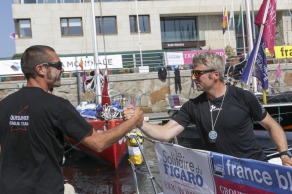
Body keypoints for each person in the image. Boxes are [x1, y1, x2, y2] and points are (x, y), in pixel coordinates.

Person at [0, 45, 143, 194]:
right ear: (40, 69)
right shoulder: (57, 106)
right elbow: (99, 143)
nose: (62, 70)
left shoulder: (4, 105)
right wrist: (132, 122)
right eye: (58, 65)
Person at [124, 51, 292, 166]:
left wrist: (284, 154)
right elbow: (165, 133)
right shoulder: (192, 106)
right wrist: (139, 123)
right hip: (220, 173)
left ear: (215, 75)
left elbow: (272, 125)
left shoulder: (243, 97)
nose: (192, 77)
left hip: (254, 169)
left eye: (197, 73)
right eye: (192, 72)